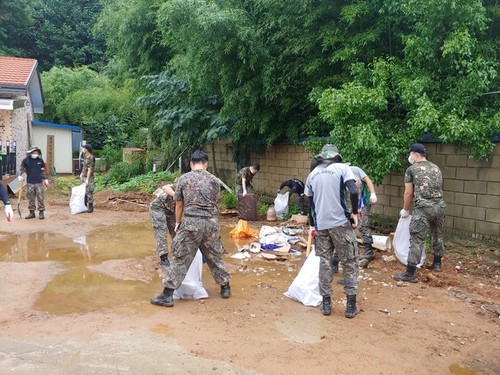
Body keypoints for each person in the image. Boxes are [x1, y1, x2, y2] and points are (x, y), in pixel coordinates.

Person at [151, 150, 231, 307]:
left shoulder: (183, 179)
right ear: (206, 164)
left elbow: (179, 204)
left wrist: (178, 223)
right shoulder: (215, 181)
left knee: (180, 258)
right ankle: (225, 287)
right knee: (214, 256)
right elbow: (214, 203)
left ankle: (167, 295)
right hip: (210, 224)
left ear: (191, 164)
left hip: (191, 225)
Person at [305, 144, 361, 318]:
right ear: (336, 156)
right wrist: (353, 213)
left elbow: (308, 201)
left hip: (321, 226)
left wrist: (313, 223)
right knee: (350, 261)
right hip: (340, 224)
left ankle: (326, 304)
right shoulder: (343, 168)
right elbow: (353, 190)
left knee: (325, 262)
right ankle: (350, 306)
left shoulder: (312, 174)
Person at [393, 143, 445, 282]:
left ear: (416, 154)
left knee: (416, 238)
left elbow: (409, 193)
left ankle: (410, 272)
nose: (409, 157)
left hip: (423, 208)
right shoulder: (436, 168)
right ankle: (437, 263)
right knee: (437, 234)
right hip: (439, 206)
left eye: (410, 154)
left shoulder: (411, 169)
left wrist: (405, 209)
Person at [149, 181, 177, 268]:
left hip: (171, 209)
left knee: (176, 231)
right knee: (161, 231)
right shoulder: (183, 184)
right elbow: (165, 187)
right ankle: (163, 257)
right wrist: (176, 195)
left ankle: (178, 253)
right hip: (157, 208)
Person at [20, 146, 48, 219]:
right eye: (34, 152)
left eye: (36, 152)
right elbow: (22, 169)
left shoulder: (40, 160)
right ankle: (31, 213)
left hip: (39, 182)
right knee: (31, 198)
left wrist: (45, 179)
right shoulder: (26, 160)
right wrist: (20, 176)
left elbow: (43, 170)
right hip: (30, 182)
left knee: (40, 197)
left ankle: (41, 212)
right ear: (30, 152)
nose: (35, 153)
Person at [80, 144, 95, 213]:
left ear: (87, 149)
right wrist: (81, 174)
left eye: (84, 148)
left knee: (89, 191)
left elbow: (90, 169)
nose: (83, 149)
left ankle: (90, 207)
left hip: (88, 177)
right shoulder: (85, 157)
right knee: (84, 191)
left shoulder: (91, 157)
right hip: (83, 176)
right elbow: (84, 167)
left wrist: (87, 179)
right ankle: (84, 205)